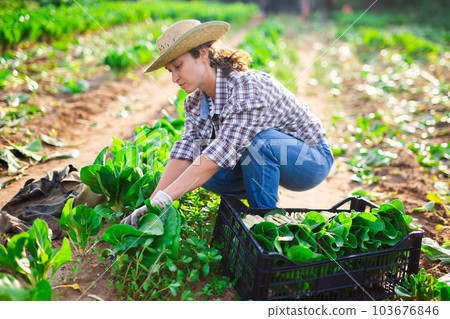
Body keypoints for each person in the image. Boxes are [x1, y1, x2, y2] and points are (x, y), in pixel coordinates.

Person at [121, 19, 333, 227]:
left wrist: (166, 199)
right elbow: (185, 151)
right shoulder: (194, 103)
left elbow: (220, 153)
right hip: (267, 159)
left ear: (202, 54)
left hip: (309, 160)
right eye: (170, 71)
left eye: (178, 66)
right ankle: (250, 200)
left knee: (258, 143)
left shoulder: (246, 88)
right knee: (198, 154)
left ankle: (265, 222)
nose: (175, 78)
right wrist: (154, 203)